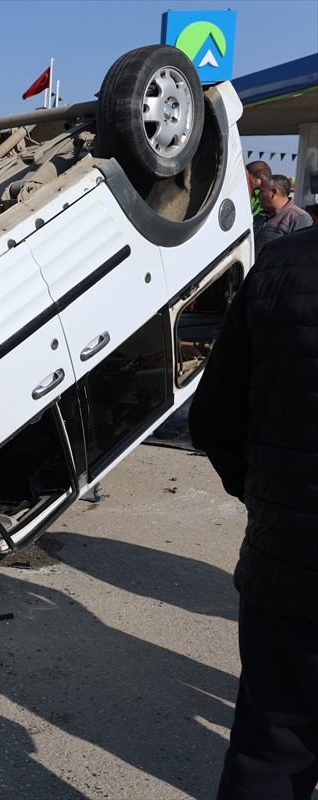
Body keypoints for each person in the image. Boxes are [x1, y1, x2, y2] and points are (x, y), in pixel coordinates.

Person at [188, 226, 318, 800]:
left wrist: (266, 495)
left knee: (271, 749)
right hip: (285, 555)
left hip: (287, 561)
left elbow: (215, 419)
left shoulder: (279, 266)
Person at [253, 174, 312, 258]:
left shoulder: (299, 218)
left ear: (274, 192)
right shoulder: (259, 217)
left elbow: (300, 256)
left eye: (261, 191)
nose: (258, 196)